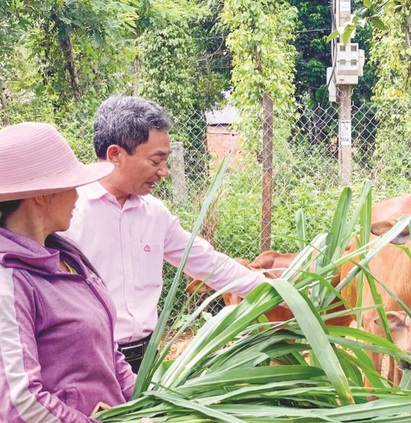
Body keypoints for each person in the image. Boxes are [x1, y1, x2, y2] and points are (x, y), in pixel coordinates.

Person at [0, 122, 213, 423]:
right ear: (40, 195)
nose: (77, 194)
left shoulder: (68, 257)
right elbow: (22, 402)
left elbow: (107, 352)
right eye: (71, 185)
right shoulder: (9, 279)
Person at [62, 95, 266, 372]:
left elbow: (209, 264)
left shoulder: (155, 214)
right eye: (156, 160)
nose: (164, 172)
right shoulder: (67, 214)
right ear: (115, 155)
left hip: (147, 358)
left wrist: (276, 287)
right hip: (87, 361)